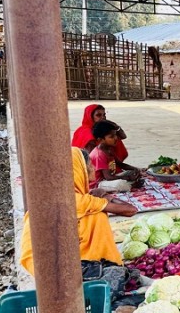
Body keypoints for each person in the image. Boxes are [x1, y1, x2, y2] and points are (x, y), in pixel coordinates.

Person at [20, 148, 139, 302]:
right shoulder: (74, 200)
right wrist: (105, 194)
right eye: (90, 164)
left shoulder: (57, 195)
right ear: (77, 169)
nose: (94, 168)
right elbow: (130, 210)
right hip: (58, 270)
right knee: (117, 275)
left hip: (50, 266)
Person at [89, 120, 142, 192]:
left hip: (109, 178)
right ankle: (132, 185)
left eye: (115, 135)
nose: (116, 138)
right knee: (120, 184)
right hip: (99, 183)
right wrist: (128, 178)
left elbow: (120, 164)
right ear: (100, 139)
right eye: (111, 136)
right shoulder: (99, 154)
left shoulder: (109, 149)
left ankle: (130, 184)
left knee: (132, 172)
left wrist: (135, 169)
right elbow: (108, 177)